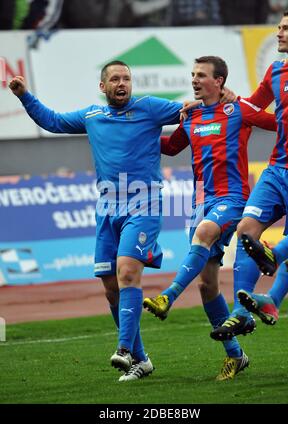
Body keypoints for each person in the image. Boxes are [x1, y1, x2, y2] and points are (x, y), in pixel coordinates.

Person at [9, 60, 183, 382]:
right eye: (115, 79)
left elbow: (189, 110)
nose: (122, 83)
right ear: (103, 87)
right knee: (110, 287)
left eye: (127, 78)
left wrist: (216, 103)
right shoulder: (93, 116)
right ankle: (141, 361)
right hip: (107, 206)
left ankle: (124, 349)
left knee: (128, 272)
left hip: (144, 201)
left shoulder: (150, 108)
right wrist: (24, 96)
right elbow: (53, 121)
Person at [144, 55, 276, 380]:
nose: (194, 80)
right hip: (200, 201)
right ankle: (236, 355)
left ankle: (167, 296)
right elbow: (171, 147)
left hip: (232, 199)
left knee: (204, 233)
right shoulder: (190, 116)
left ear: (218, 81)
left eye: (200, 75)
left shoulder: (238, 110)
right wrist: (131, 133)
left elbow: (278, 123)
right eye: (192, 74)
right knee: (206, 285)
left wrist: (243, 99)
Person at [231, 6, 288, 328]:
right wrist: (228, 103)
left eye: (286, 28)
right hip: (278, 169)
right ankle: (240, 315)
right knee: (246, 230)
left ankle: (272, 296)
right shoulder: (275, 71)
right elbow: (253, 108)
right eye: (279, 27)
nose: (279, 33)